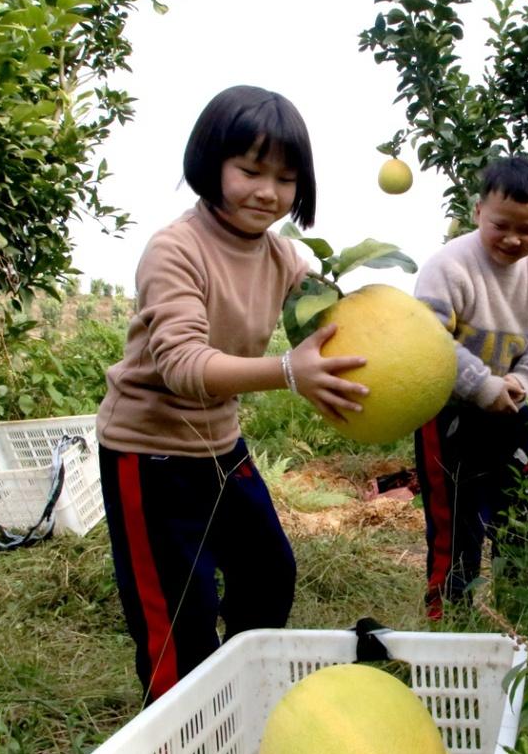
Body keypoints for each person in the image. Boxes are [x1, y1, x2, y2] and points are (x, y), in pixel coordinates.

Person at [95, 85, 368, 703]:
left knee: (269, 574)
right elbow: (183, 366)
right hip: (149, 453)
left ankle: (242, 700)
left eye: (286, 177)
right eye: (249, 170)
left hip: (221, 446)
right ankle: (180, 725)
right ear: (210, 163)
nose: (267, 191)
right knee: (178, 618)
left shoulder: (284, 257)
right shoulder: (176, 248)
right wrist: (288, 372)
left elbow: (337, 314)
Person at [413, 155, 528, 620]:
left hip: (510, 412)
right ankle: (449, 622)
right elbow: (429, 340)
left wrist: (520, 381)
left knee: (521, 516)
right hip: (449, 414)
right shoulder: (449, 267)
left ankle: (517, 618)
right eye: (501, 225)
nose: (514, 239)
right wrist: (482, 387)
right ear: (478, 211)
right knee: (456, 526)